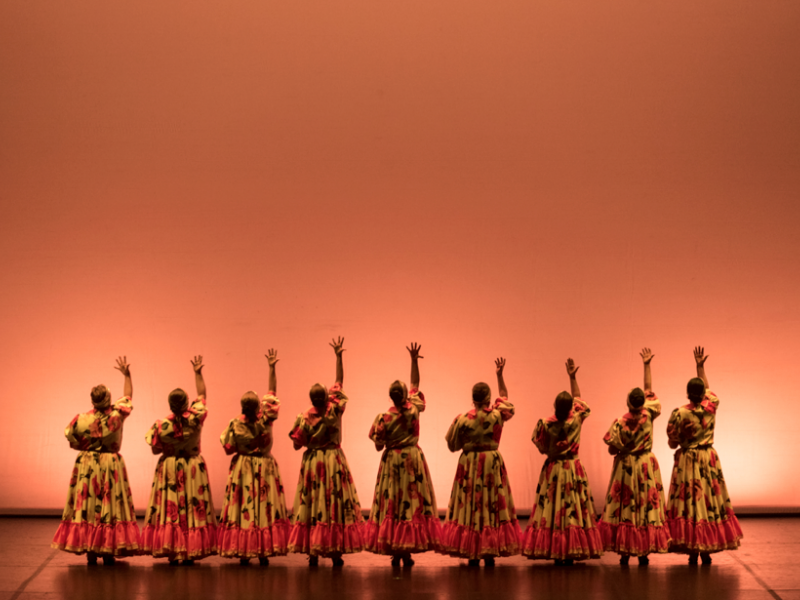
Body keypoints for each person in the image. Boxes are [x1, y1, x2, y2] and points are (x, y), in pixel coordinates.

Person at [51, 357, 140, 564]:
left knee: (90, 504)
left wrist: (86, 448)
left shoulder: (80, 419)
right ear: (109, 399)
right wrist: (127, 375)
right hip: (110, 463)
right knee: (108, 503)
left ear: (92, 401)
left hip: (87, 464)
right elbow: (127, 396)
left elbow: (71, 440)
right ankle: (108, 549)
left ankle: (91, 550)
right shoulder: (116, 416)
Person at [287, 337, 365, 566]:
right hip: (333, 460)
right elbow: (339, 382)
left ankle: (312, 551)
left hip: (313, 462)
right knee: (332, 503)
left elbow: (295, 445)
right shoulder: (335, 410)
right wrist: (339, 356)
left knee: (312, 502)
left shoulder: (304, 418)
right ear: (325, 398)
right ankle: (335, 551)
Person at [363, 342, 442, 566]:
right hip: (412, 459)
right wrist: (414, 360)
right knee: (409, 501)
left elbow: (378, 446)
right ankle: (404, 551)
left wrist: (388, 441)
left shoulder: (383, 418)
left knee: (393, 502)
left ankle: (396, 550)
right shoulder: (414, 409)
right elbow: (416, 383)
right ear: (406, 396)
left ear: (391, 397)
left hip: (392, 462)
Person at [665, 346, 744, 564]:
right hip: (708, 458)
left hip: (688, 459)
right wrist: (700, 367)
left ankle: (692, 547)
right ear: (703, 394)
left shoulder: (679, 413)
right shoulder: (711, 406)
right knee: (708, 501)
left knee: (691, 502)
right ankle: (707, 549)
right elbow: (709, 390)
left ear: (687, 393)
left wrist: (681, 441)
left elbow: (672, 442)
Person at [441, 357, 522, 566]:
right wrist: (500, 375)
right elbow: (506, 401)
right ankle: (489, 550)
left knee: (471, 504)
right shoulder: (496, 416)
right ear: (488, 399)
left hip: (469, 464)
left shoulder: (463, 419)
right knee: (490, 504)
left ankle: (472, 549)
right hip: (491, 463)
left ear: (473, 399)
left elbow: (451, 445)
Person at [521, 358, 603, 565]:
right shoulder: (576, 418)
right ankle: (571, 548)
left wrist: (551, 450)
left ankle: (554, 548)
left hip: (554, 468)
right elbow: (579, 399)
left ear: (555, 406)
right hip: (573, 467)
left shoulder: (546, 425)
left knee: (553, 506)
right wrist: (573, 377)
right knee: (572, 507)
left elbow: (540, 447)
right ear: (570, 407)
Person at [142, 355, 217, 564]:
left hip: (169, 466)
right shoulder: (196, 417)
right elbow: (202, 394)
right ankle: (191, 549)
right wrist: (197, 372)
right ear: (186, 403)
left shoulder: (160, 426)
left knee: (171, 507)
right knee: (191, 507)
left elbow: (155, 451)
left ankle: (172, 549)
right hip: (192, 465)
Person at [598, 348, 671, 565]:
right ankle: (644, 552)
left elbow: (612, 449)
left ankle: (624, 552)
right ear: (642, 403)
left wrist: (621, 449)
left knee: (626, 506)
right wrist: (647, 365)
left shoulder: (620, 423)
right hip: (646, 464)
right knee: (644, 505)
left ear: (628, 402)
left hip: (627, 466)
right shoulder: (649, 415)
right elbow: (649, 391)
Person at [218, 349, 290, 565]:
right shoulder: (266, 419)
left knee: (244, 507)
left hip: (243, 467)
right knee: (264, 506)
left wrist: (243, 446)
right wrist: (271, 367)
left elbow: (228, 449)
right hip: (265, 466)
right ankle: (263, 551)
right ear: (259, 406)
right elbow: (272, 392)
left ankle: (243, 550)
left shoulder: (235, 424)